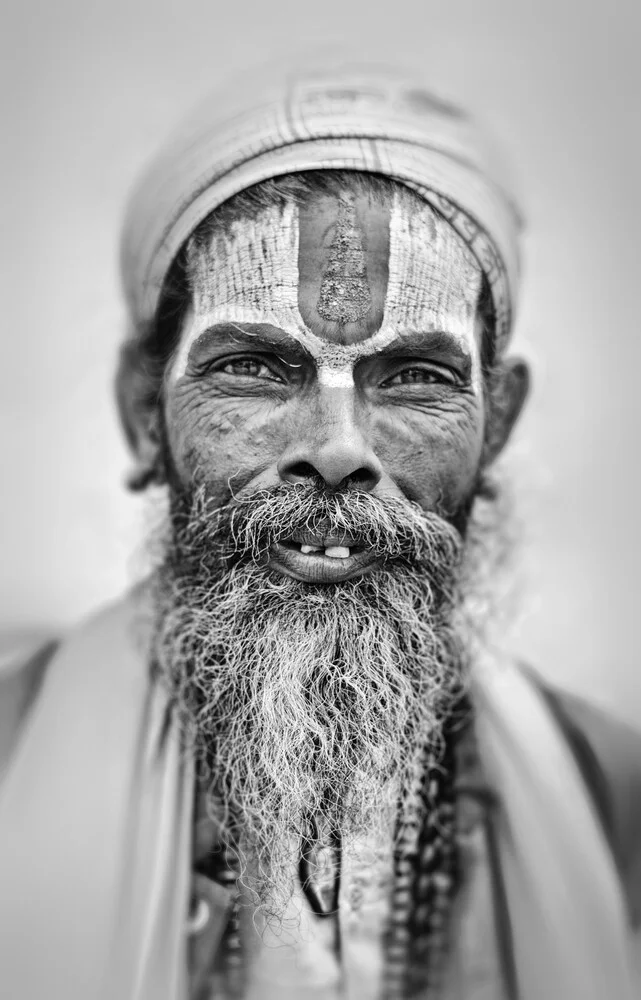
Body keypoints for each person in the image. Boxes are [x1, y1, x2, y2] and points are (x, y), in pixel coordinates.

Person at [0, 65, 639, 1000]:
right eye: (256, 366)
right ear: (145, 410)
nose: (338, 450)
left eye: (416, 375)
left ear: (495, 422)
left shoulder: (609, 794)